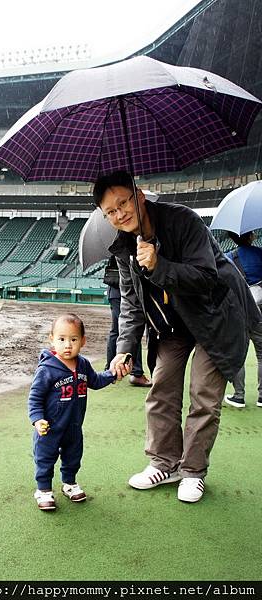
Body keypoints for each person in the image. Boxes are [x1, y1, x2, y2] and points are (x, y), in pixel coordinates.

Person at [93, 170, 260, 503]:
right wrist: (125, 350)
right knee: (162, 387)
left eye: (123, 202)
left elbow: (206, 275)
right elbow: (131, 304)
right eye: (110, 211)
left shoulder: (184, 221)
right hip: (171, 326)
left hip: (215, 316)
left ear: (139, 196)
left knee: (203, 393)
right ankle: (164, 463)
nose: (119, 214)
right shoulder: (124, 248)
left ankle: (193, 471)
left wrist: (159, 266)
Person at [28, 312, 116, 511]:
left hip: (74, 425)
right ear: (52, 339)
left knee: (73, 456)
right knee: (45, 458)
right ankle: (43, 490)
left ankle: (69, 483)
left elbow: (95, 381)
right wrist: (37, 420)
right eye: (61, 339)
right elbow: (35, 398)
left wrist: (112, 374)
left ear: (83, 341)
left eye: (73, 339)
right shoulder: (47, 369)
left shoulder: (83, 364)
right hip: (49, 428)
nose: (67, 345)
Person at [224, 231, 262, 408]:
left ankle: (239, 396)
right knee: (261, 353)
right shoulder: (260, 254)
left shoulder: (229, 258)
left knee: (239, 353)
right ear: (252, 235)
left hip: (239, 310)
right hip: (260, 309)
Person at [104, 255, 151, 387]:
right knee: (131, 328)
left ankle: (111, 370)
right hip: (122, 290)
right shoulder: (124, 246)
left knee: (117, 330)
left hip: (116, 291)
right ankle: (135, 373)